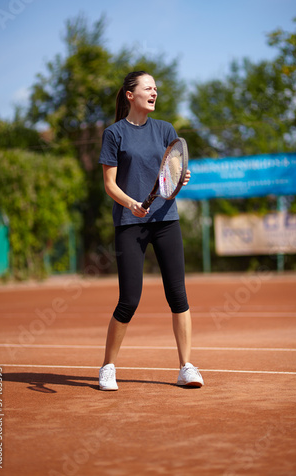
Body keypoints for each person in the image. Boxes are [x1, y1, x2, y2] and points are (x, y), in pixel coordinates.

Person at [98, 71, 204, 390]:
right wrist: (131, 204)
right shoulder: (114, 134)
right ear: (130, 95)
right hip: (130, 223)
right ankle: (107, 366)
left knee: (178, 295)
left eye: (156, 88)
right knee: (129, 299)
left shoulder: (165, 130)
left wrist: (179, 180)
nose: (154, 92)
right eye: (148, 88)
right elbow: (109, 185)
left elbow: (170, 176)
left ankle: (186, 367)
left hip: (166, 220)